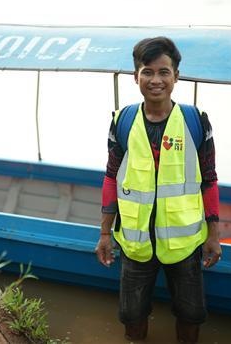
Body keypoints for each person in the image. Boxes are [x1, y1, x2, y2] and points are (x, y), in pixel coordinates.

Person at [94, 36, 222, 343]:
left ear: (176, 76)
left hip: (185, 242)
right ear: (135, 76)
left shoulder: (195, 121)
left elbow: (209, 179)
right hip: (136, 244)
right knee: (132, 315)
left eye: (164, 72)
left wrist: (213, 236)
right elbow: (111, 177)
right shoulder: (123, 121)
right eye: (148, 72)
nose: (156, 80)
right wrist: (104, 234)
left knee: (191, 315)